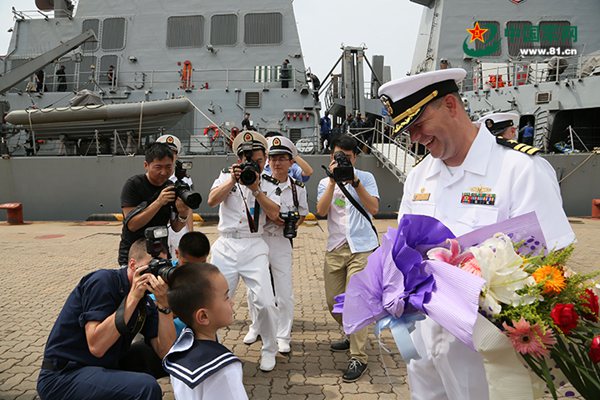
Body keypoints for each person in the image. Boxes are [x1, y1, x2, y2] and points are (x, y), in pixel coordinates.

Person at [378, 68, 575, 400]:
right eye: (406, 131)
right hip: (426, 342)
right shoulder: (419, 177)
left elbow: (555, 264)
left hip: (489, 352)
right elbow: (404, 249)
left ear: (451, 105)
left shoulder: (520, 169)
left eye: (417, 125)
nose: (414, 138)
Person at [37, 239, 176, 400]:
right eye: (152, 266)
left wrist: (164, 306)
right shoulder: (103, 282)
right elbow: (97, 346)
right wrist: (133, 297)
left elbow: (166, 352)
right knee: (145, 387)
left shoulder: (146, 301)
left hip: (100, 366)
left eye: (161, 267)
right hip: (62, 376)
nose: (156, 275)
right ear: (132, 265)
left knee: (162, 360)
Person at [207, 130, 281, 372]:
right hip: (226, 244)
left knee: (266, 302)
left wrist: (257, 189)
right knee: (211, 300)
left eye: (260, 161)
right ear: (239, 159)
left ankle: (270, 349)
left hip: (254, 244)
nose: (255, 165)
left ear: (265, 159)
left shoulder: (269, 183)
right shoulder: (223, 178)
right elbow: (211, 201)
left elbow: (275, 214)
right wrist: (232, 181)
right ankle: (209, 349)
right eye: (249, 160)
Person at [316, 134, 380, 382]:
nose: (341, 160)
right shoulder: (324, 183)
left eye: (347, 157)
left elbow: (374, 208)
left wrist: (354, 182)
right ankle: (350, 330)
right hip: (335, 247)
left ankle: (358, 356)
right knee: (334, 302)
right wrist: (333, 181)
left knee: (356, 301)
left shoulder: (367, 178)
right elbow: (321, 212)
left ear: (356, 157)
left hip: (362, 248)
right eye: (337, 156)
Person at [243, 136, 309, 354]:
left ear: (291, 162)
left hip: (281, 241)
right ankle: (256, 327)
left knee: (283, 291)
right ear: (268, 162)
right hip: (258, 238)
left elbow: (301, 213)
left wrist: (291, 224)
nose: (277, 163)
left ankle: (283, 336)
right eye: (273, 158)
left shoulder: (298, 188)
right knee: (255, 289)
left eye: (282, 158)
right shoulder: (258, 183)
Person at [163, 263, 248, 399]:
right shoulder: (224, 370)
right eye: (226, 297)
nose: (232, 302)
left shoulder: (179, 350)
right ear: (203, 316)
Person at [117, 143, 191, 265]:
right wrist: (159, 202)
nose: (163, 172)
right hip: (134, 255)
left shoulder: (170, 187)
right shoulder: (133, 185)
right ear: (146, 165)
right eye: (158, 167)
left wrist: (183, 214)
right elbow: (132, 224)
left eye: (168, 167)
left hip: (160, 253)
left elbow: (176, 227)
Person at [155, 134, 195, 257]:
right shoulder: (154, 177)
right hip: (160, 225)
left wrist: (190, 232)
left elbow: (189, 208)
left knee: (182, 262)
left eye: (173, 153)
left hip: (179, 225)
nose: (170, 156)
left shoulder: (185, 180)